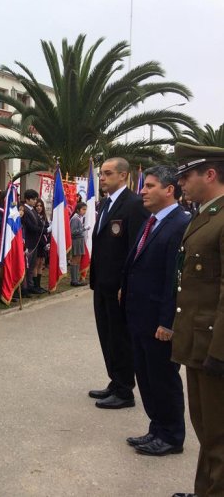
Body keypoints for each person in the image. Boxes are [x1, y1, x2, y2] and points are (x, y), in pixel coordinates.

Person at [121, 165, 188, 457]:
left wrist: (167, 320)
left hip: (158, 320)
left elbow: (175, 279)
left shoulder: (180, 223)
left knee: (163, 378)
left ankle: (172, 436)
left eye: (149, 186)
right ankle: (157, 428)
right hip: (138, 315)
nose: (143, 191)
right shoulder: (152, 221)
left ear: (169, 189)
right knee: (146, 376)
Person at [172, 143, 224, 497]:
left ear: (210, 174)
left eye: (186, 175)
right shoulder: (205, 214)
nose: (181, 184)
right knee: (206, 428)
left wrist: (219, 352)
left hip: (214, 346)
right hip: (198, 341)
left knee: (220, 436)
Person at [89, 157, 149, 409]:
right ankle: (115, 380)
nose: (102, 178)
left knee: (120, 337)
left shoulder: (134, 205)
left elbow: (136, 248)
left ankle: (125, 390)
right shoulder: (106, 203)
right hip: (101, 283)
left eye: (108, 173)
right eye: (101, 173)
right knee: (107, 334)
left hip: (118, 286)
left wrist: (127, 285)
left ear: (123, 176)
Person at [21, 189, 45, 295]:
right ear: (27, 199)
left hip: (35, 242)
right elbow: (30, 227)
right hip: (28, 242)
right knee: (26, 266)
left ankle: (30, 286)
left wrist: (46, 227)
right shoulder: (24, 210)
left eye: (36, 199)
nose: (35, 201)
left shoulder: (33, 210)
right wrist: (44, 230)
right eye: (33, 199)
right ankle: (24, 287)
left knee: (32, 266)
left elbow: (39, 223)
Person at [69, 202, 89, 286]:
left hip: (79, 241)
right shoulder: (75, 218)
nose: (84, 211)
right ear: (78, 210)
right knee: (75, 260)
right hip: (76, 241)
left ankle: (76, 279)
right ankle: (74, 280)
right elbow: (73, 232)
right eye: (83, 209)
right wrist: (84, 229)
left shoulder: (79, 218)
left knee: (78, 260)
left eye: (85, 209)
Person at [34, 198, 50, 291]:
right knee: (36, 264)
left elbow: (47, 227)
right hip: (37, 242)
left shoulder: (44, 217)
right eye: (37, 206)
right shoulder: (35, 216)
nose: (39, 208)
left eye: (40, 206)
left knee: (41, 263)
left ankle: (39, 285)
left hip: (44, 242)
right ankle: (35, 285)